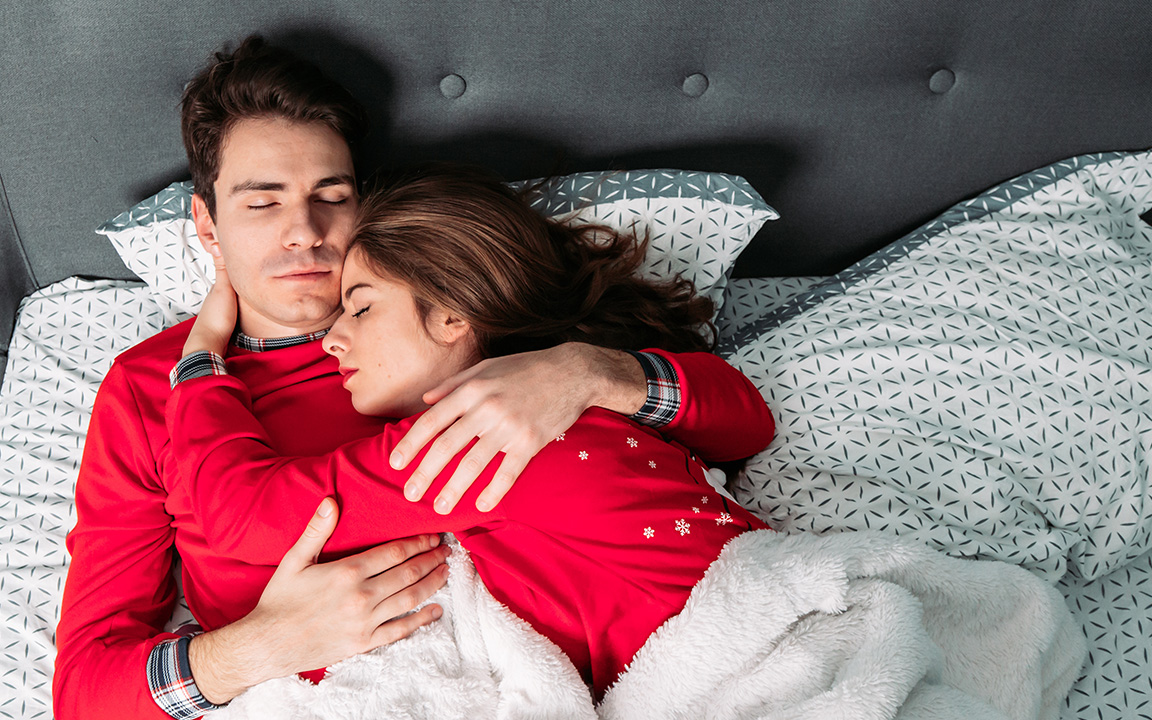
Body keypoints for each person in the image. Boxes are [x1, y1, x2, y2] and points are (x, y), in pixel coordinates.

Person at [53, 37, 770, 719]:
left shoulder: (441, 306)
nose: (303, 230)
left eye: (331, 195)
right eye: (263, 201)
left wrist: (587, 371)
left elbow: (742, 425)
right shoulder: (150, 387)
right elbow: (84, 694)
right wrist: (258, 647)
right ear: (206, 225)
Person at [167, 164, 775, 700]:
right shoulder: (586, 404)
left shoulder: (474, 438)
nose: (333, 340)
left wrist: (198, 361)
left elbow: (240, 512)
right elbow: (748, 423)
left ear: (453, 313)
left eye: (361, 306)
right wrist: (594, 370)